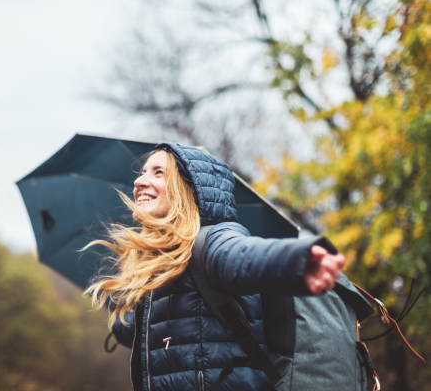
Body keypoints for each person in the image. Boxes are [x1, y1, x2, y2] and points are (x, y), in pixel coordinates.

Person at [85, 143, 345, 391]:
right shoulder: (157, 263)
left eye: (158, 173)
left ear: (189, 188)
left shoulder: (212, 240)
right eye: (142, 173)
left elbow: (243, 256)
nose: (139, 182)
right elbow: (144, 335)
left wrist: (297, 260)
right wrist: (126, 313)